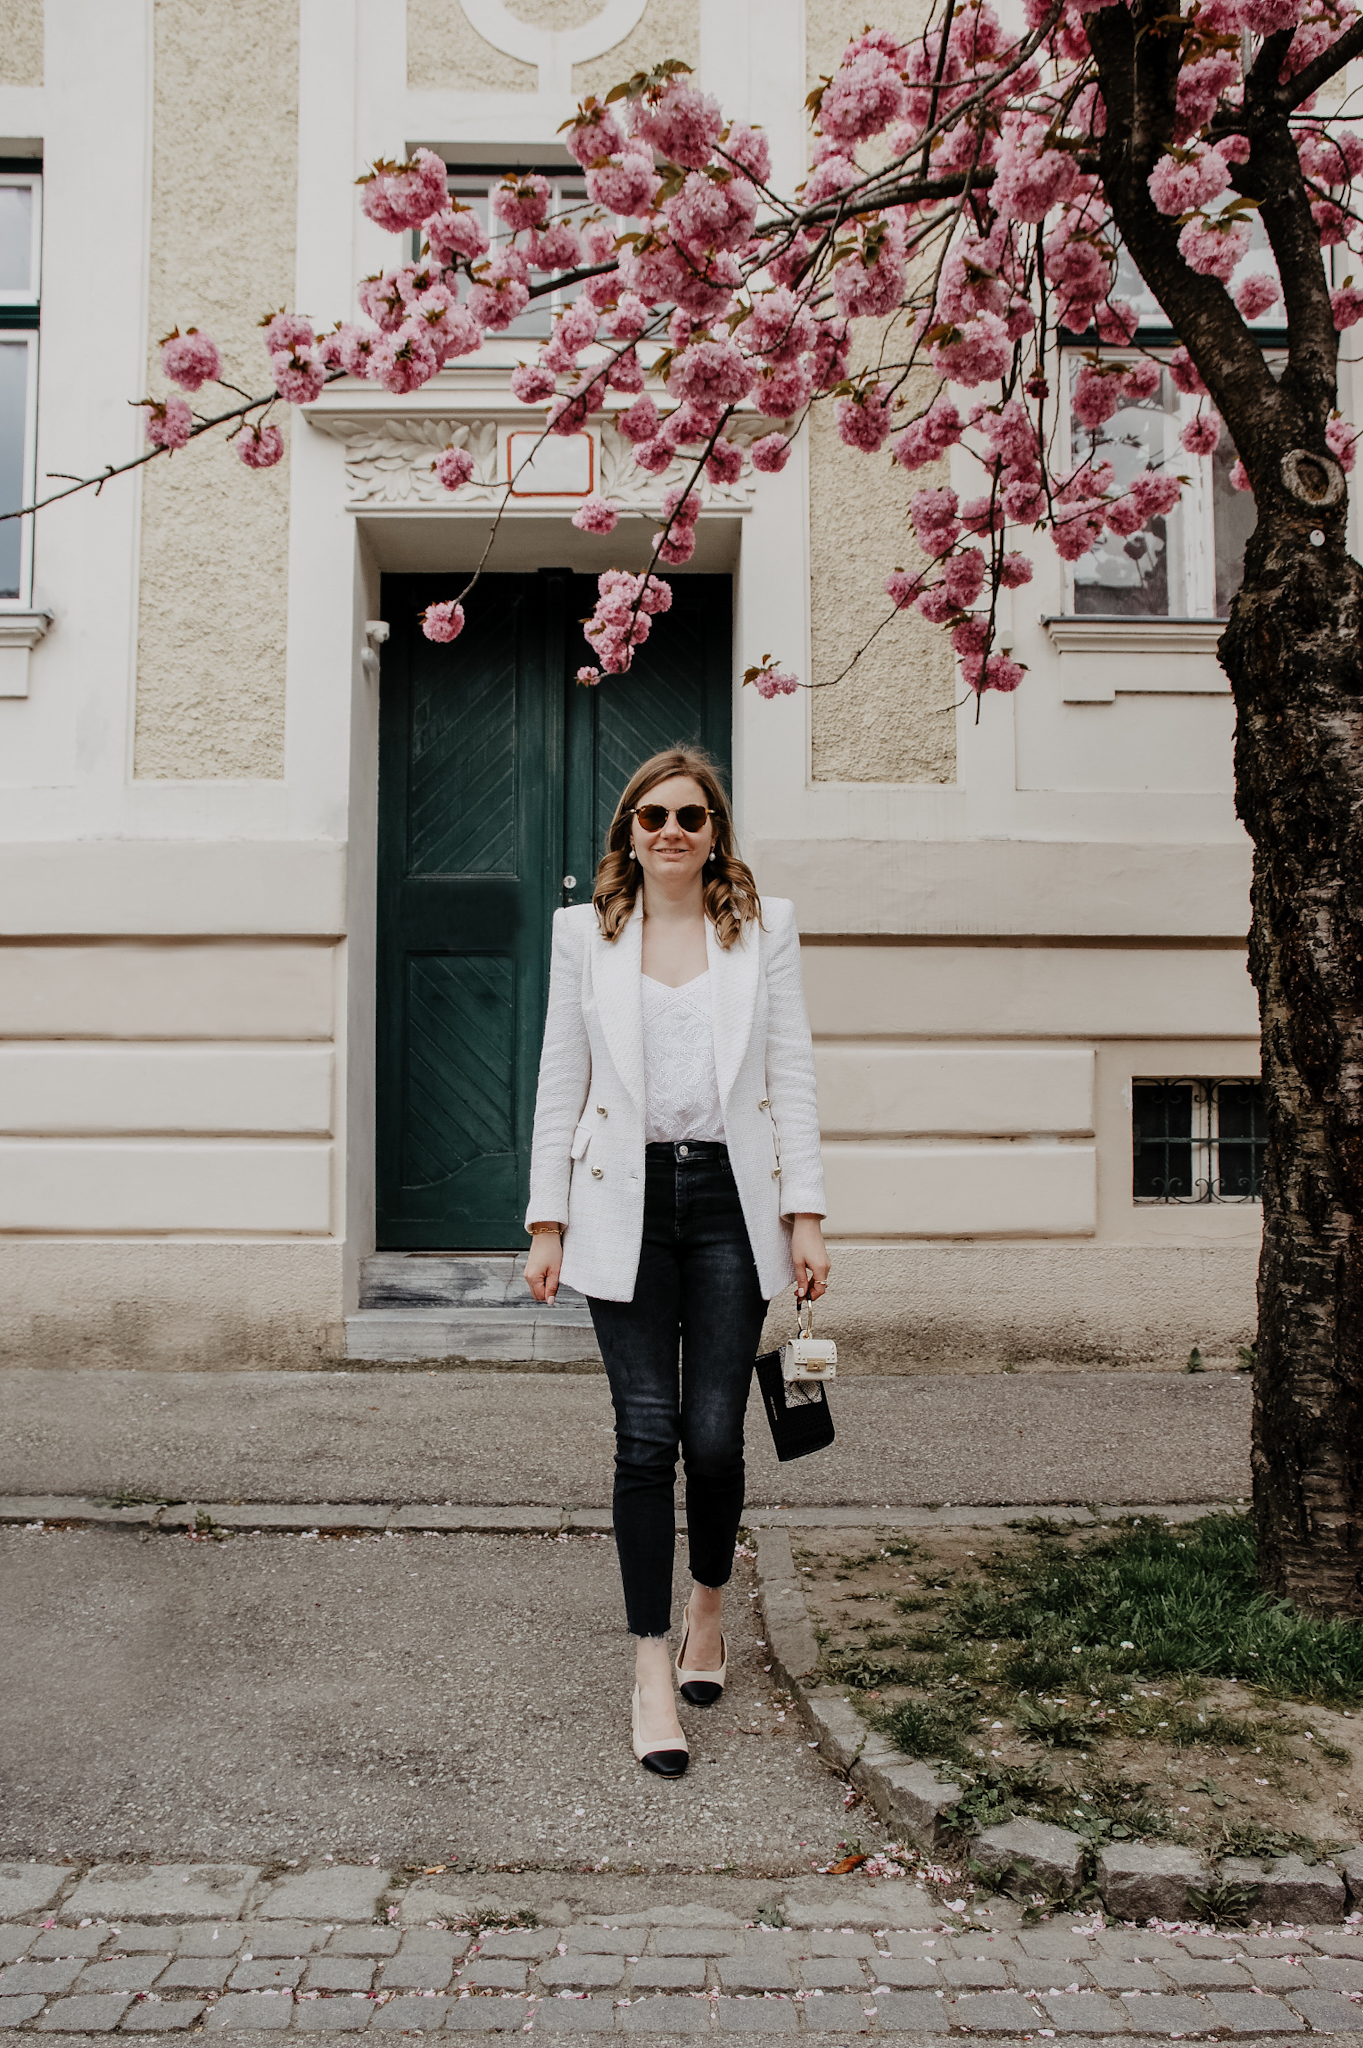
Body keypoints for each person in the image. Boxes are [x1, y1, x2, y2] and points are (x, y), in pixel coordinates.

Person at [524, 745, 829, 1777]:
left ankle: (709, 1606)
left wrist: (806, 1212)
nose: (669, 832)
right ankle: (651, 1665)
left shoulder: (761, 929)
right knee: (644, 1437)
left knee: (713, 1437)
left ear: (714, 833)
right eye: (650, 816)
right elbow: (558, 1078)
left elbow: (791, 1076)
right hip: (624, 1201)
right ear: (628, 830)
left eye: (689, 817)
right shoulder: (584, 932)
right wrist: (545, 1220)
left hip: (729, 1203)